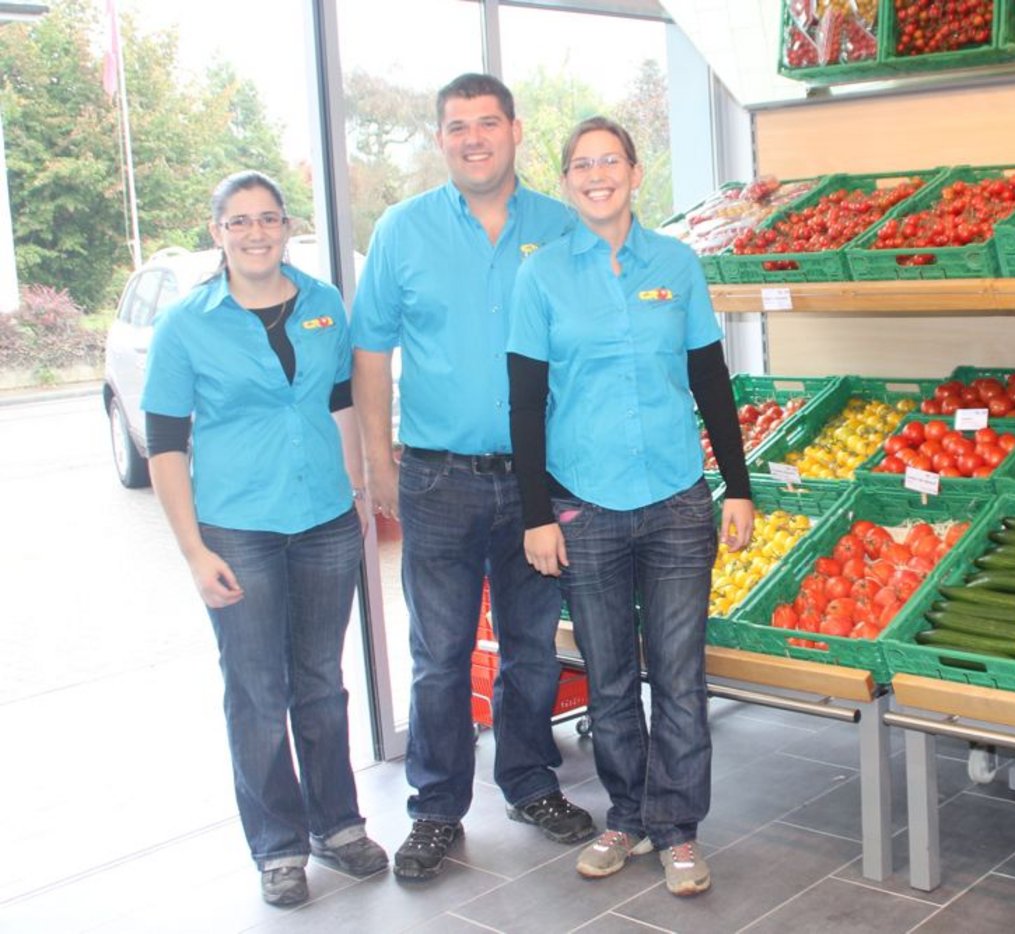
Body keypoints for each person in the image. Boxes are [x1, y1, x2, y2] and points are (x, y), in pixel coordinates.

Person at [350, 73, 594, 882]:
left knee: (529, 647)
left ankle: (528, 782)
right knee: (439, 653)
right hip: (436, 482)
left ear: (516, 131)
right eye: (456, 126)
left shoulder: (562, 227)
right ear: (440, 139)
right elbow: (370, 351)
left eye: (487, 123)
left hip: (539, 484)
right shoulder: (402, 230)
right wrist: (378, 463)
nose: (473, 138)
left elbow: (590, 349)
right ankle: (435, 809)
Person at [507, 116, 754, 897]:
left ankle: (678, 829)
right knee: (611, 676)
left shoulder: (677, 265)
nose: (595, 174)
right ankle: (627, 817)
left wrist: (738, 487)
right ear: (567, 181)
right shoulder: (541, 275)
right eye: (580, 164)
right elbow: (524, 403)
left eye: (608, 160)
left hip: (678, 500)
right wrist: (535, 513)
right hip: (586, 506)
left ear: (636, 172)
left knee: (679, 677)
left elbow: (711, 380)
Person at [142, 170, 387, 907]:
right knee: (256, 691)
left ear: (286, 227)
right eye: (239, 221)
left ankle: (336, 825)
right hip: (238, 529)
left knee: (320, 681)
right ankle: (277, 847)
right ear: (216, 232)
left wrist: (358, 494)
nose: (256, 233)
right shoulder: (187, 323)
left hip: (323, 523)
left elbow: (341, 401)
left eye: (269, 219)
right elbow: (164, 446)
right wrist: (194, 551)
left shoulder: (321, 304)